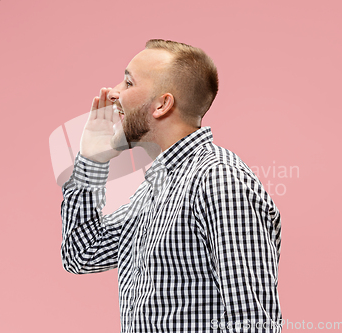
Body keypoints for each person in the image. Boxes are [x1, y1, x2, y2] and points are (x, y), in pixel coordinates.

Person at [60, 39, 282, 333]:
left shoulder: (218, 179)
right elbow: (81, 253)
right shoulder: (154, 188)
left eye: (128, 82)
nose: (113, 93)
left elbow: (254, 323)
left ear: (162, 104)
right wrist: (91, 160)